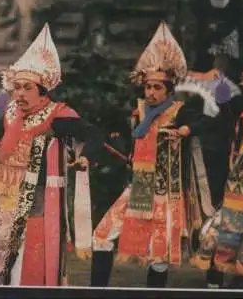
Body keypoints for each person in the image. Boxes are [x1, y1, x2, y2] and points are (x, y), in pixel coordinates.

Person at [0, 23, 108, 286]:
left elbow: (94, 135)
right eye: (17, 87)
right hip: (5, 210)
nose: (20, 94)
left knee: (23, 282)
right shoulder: (10, 114)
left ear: (43, 90)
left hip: (36, 213)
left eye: (27, 88)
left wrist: (85, 157)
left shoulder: (57, 115)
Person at [91, 21, 214, 288]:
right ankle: (95, 291)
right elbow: (125, 139)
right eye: (148, 87)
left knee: (159, 257)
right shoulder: (139, 112)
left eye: (158, 88)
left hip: (166, 195)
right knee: (100, 236)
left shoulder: (180, 111)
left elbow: (209, 122)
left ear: (170, 90)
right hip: (138, 190)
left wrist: (185, 129)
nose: (151, 92)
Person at [191, 59, 243, 289]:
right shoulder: (242, 108)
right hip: (231, 174)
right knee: (225, 225)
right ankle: (217, 278)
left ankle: (242, 279)